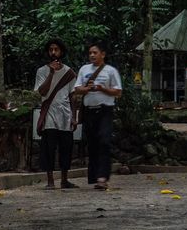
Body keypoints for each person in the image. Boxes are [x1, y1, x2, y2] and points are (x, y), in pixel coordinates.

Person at [74, 40, 122, 190]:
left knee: (104, 141)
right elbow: (77, 89)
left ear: (103, 54)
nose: (92, 55)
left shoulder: (111, 71)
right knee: (93, 143)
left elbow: (118, 92)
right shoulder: (84, 69)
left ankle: (103, 178)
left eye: (95, 52)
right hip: (89, 111)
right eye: (90, 53)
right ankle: (95, 176)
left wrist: (102, 89)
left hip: (105, 110)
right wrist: (86, 89)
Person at [34, 38, 78, 189]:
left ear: (61, 52)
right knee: (48, 148)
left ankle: (64, 180)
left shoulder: (69, 73)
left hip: (65, 115)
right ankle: (50, 181)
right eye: (51, 49)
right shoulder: (41, 71)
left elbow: (73, 96)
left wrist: (74, 116)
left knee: (66, 148)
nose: (53, 52)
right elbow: (42, 91)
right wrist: (51, 73)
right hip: (49, 115)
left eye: (56, 49)